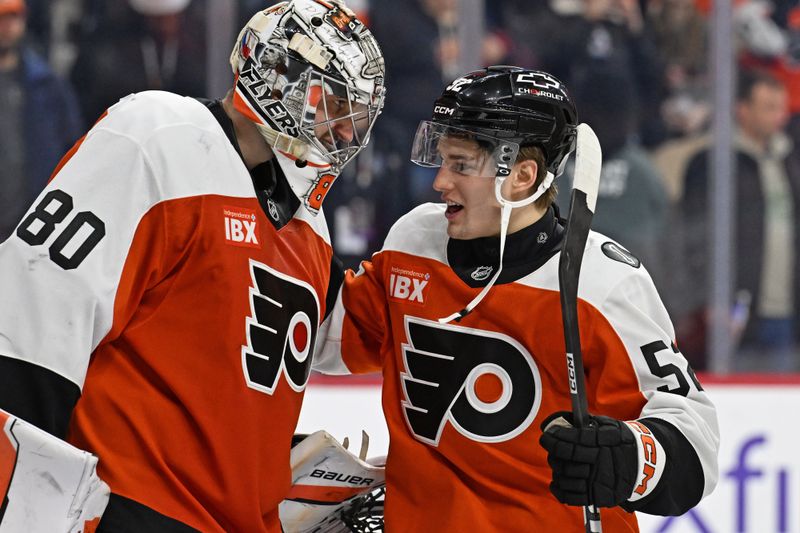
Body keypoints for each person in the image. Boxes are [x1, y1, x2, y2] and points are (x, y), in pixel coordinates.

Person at [0, 0, 385, 530]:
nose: (345, 133)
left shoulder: (307, 226)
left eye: (355, 115)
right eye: (333, 103)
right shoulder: (159, 135)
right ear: (278, 78)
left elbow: (305, 353)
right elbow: (35, 310)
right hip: (133, 508)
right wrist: (24, 499)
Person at [314, 66, 719, 531]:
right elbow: (329, 338)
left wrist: (629, 458)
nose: (439, 181)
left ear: (523, 175)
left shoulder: (602, 284)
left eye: (461, 165)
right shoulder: (414, 240)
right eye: (443, 159)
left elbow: (696, 444)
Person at [678, 68, 800, 371]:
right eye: (769, 107)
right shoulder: (714, 163)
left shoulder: (790, 162)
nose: (779, 117)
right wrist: (706, 297)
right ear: (743, 110)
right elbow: (691, 237)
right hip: (732, 312)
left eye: (781, 107)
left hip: (786, 310)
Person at [0, 0, 82, 241]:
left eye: (11, 17)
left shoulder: (48, 86)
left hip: (35, 227)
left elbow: (73, 150)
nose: (5, 26)